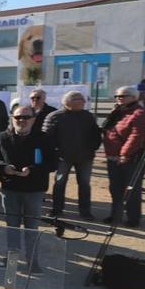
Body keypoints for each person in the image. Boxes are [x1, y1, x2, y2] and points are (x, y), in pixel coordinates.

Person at [0, 106, 55, 271]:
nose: (21, 121)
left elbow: (53, 163)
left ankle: (32, 261)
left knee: (32, 227)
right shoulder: (2, 137)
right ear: (12, 118)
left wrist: (32, 169)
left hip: (34, 190)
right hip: (10, 190)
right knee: (12, 226)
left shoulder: (44, 138)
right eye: (18, 117)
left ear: (33, 119)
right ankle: (11, 259)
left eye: (26, 117)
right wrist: (4, 167)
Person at [43, 91, 101, 220]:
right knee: (59, 183)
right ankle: (57, 210)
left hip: (85, 157)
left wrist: (93, 147)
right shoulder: (54, 116)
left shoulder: (89, 116)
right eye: (80, 99)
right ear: (68, 101)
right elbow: (46, 138)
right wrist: (55, 152)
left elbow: (96, 134)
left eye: (83, 99)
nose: (84, 102)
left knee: (85, 184)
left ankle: (85, 211)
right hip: (63, 157)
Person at [103, 86, 145, 227]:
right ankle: (115, 215)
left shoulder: (139, 113)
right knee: (115, 188)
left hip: (131, 158)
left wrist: (124, 154)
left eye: (123, 96)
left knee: (131, 189)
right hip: (113, 156)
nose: (119, 98)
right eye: (117, 96)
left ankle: (133, 219)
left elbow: (136, 136)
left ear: (133, 97)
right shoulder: (118, 111)